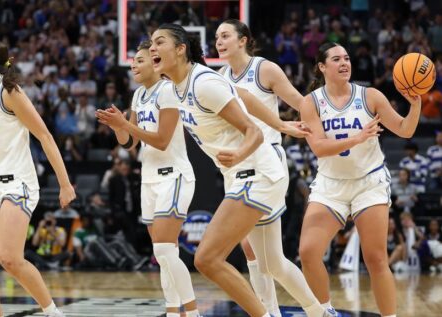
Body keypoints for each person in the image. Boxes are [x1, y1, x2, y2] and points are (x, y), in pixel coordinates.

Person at [149, 23, 328, 317]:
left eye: (159, 42)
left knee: (207, 258)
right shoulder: (184, 85)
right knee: (271, 262)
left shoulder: (203, 82)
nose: (152, 48)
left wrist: (241, 151)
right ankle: (321, 313)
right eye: (149, 44)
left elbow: (252, 132)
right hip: (249, 172)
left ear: (181, 49)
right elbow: (242, 97)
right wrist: (281, 124)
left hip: (255, 170)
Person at [298, 42, 421, 317]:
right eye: (336, 59)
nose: (344, 63)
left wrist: (415, 105)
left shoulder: (370, 96)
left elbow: (404, 130)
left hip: (369, 182)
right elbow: (318, 147)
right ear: (321, 67)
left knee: (376, 259)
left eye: (347, 58)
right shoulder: (311, 102)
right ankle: (325, 312)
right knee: (307, 252)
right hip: (331, 184)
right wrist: (358, 137)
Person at [0, 37, 76, 317]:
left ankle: (52, 312)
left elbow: (45, 136)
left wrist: (65, 183)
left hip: (17, 182)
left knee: (9, 258)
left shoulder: (9, 92)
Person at [215, 19, 318, 317]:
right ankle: (274, 312)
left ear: (243, 40)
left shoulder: (265, 69)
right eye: (217, 37)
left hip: (264, 162)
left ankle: (313, 310)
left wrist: (320, 134)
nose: (219, 42)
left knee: (266, 256)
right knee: (256, 253)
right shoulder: (220, 77)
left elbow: (301, 103)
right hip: (236, 166)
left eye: (225, 36)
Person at [96, 40, 200, 317]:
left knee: (165, 249)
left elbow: (163, 140)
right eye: (132, 63)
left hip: (174, 176)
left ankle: (191, 311)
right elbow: (129, 143)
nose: (133, 67)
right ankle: (172, 311)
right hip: (150, 179)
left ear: (155, 62)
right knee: (164, 254)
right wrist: (118, 126)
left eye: (139, 61)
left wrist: (125, 125)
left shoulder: (168, 91)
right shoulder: (138, 96)